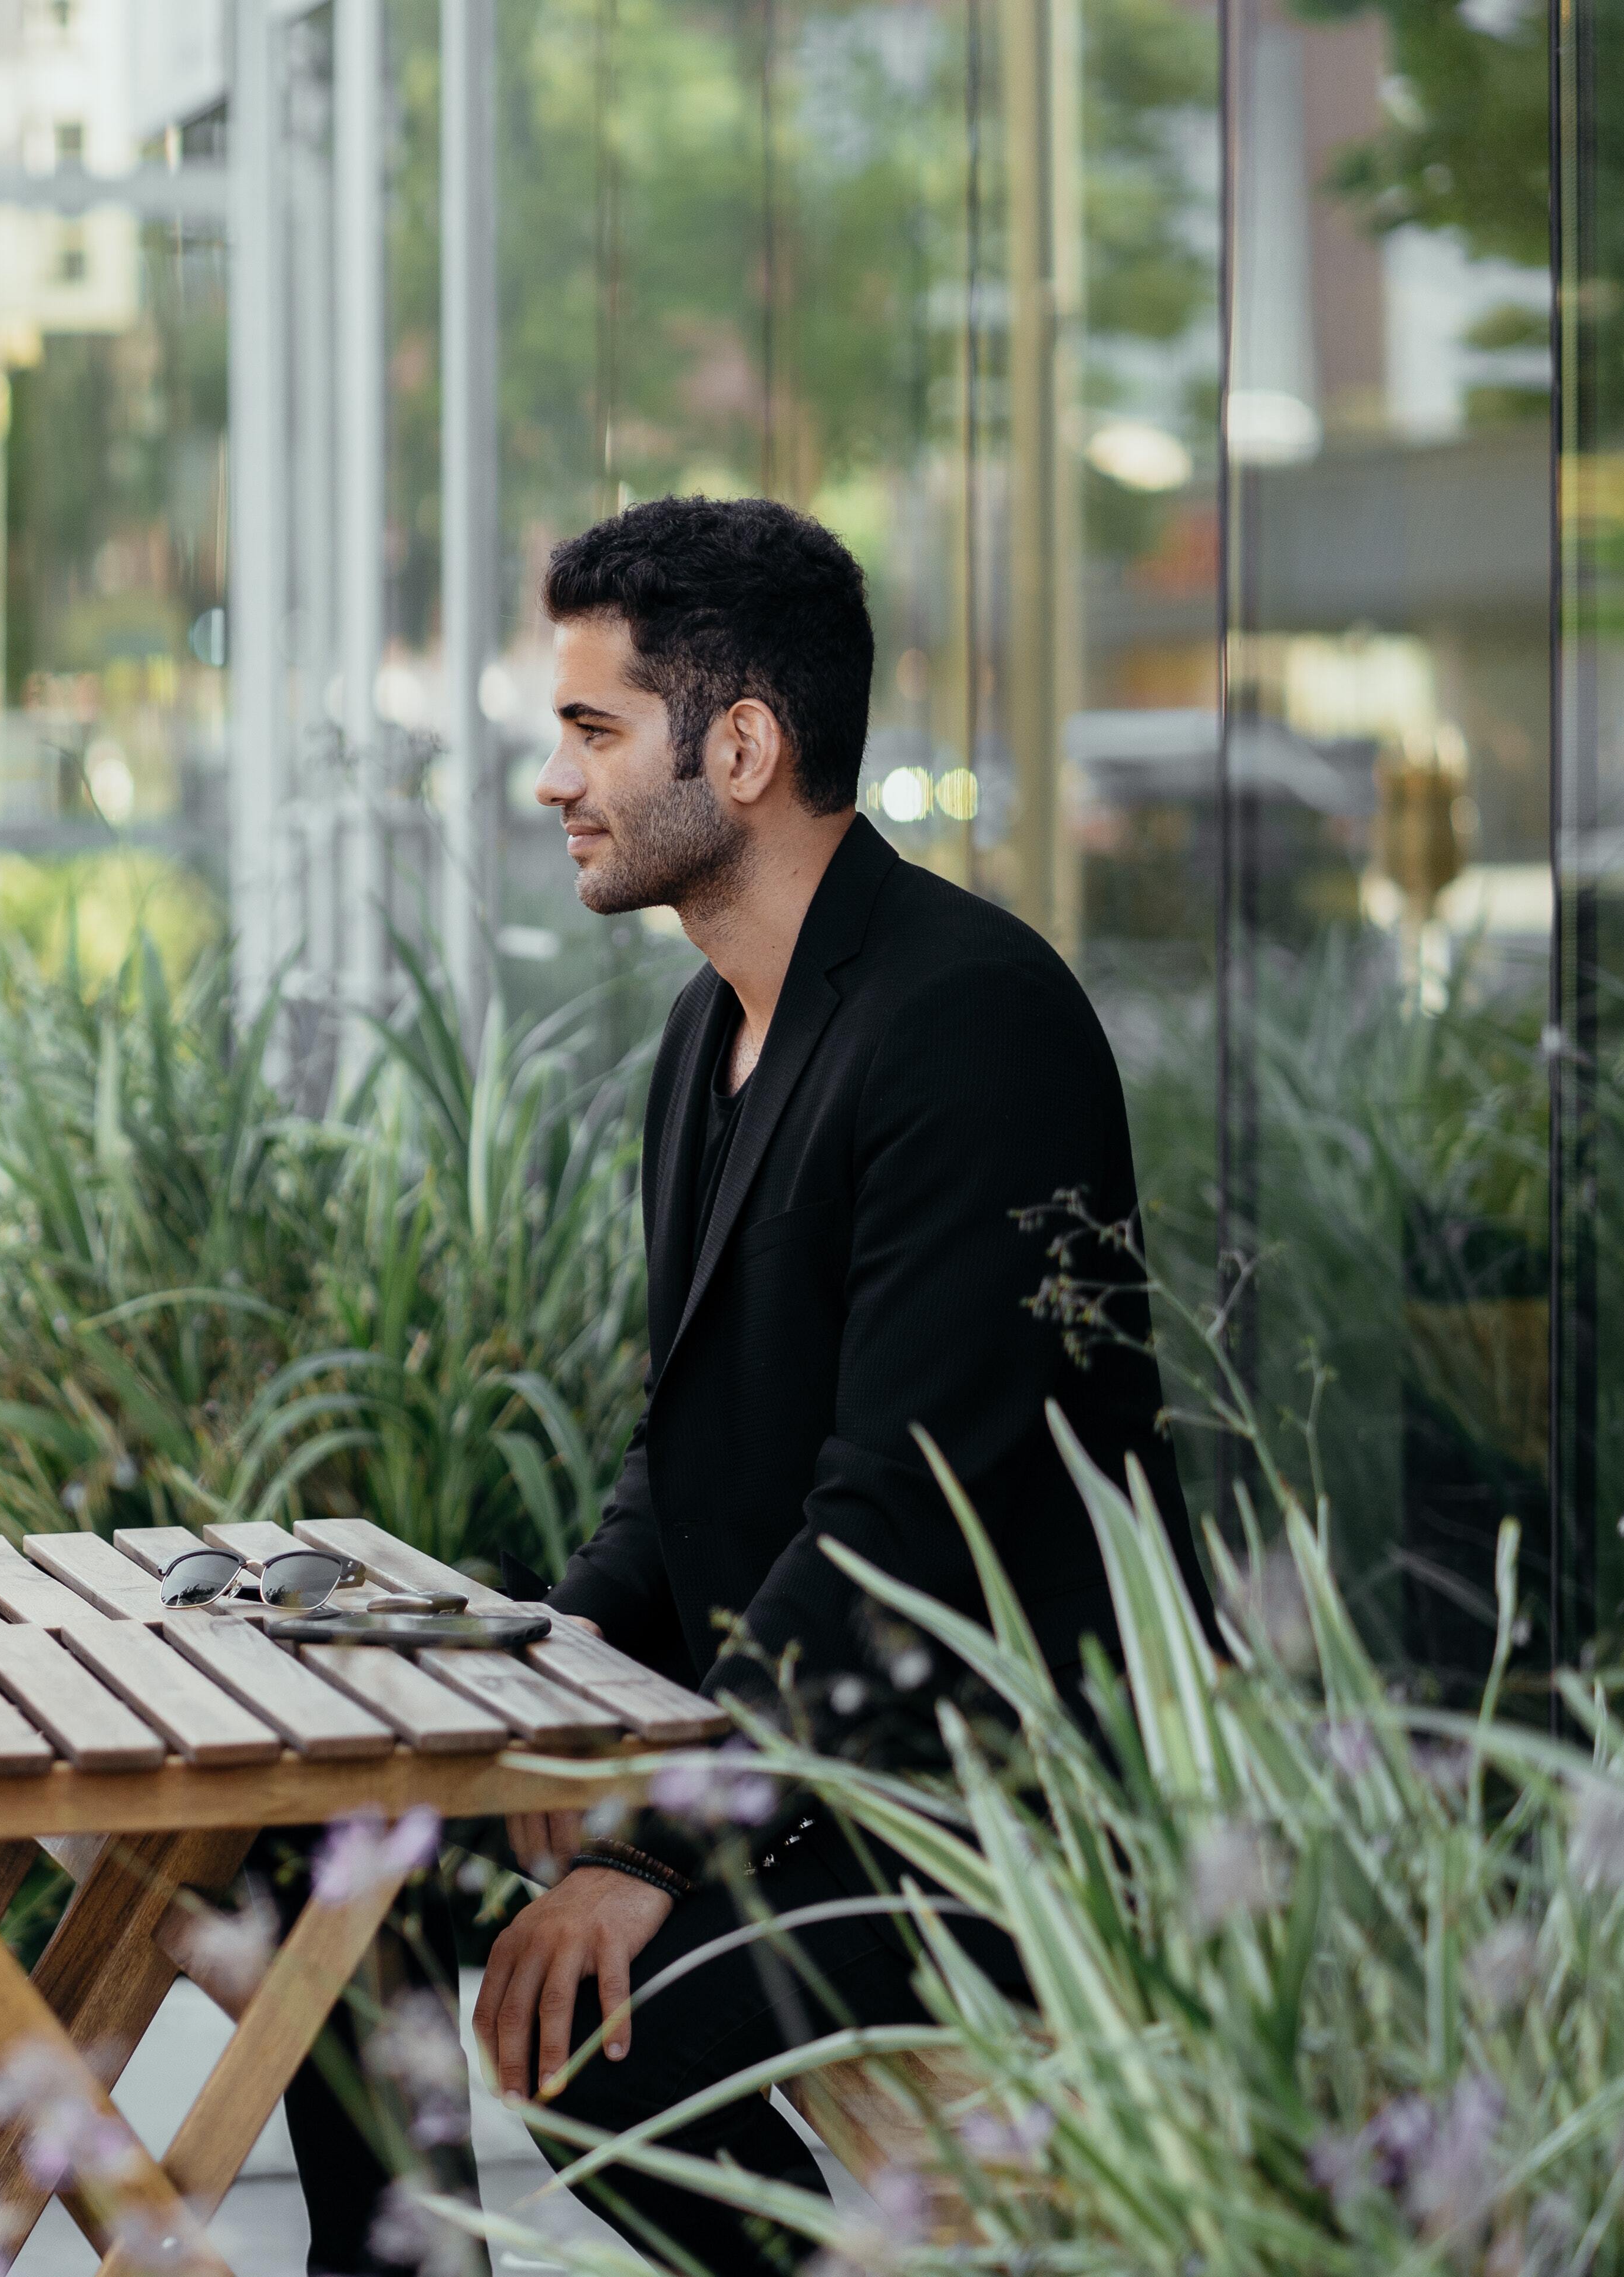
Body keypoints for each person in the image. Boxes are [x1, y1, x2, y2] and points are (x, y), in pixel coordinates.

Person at [466, 497, 1191, 2272]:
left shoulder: (966, 1018)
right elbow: (683, 1462)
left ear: (740, 744)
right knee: (334, 1892)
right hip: (795, 1761)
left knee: (602, 2044)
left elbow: (902, 1521)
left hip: (975, 1806)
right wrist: (549, 1707)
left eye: (587, 730)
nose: (553, 782)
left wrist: (645, 1848)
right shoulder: (702, 1026)